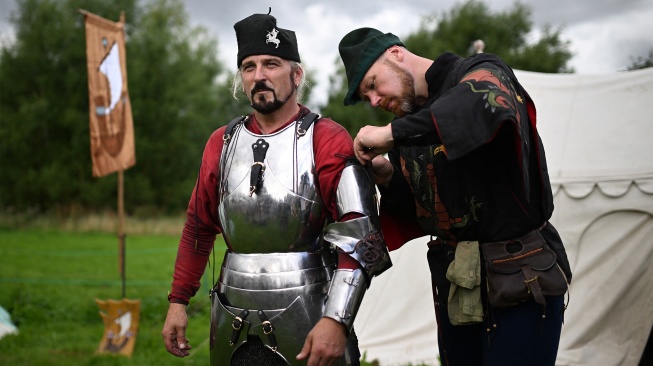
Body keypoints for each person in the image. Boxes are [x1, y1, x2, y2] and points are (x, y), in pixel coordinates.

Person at [161, 15, 391, 366]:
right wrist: (178, 302)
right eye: (249, 66)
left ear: (296, 75)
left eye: (271, 64)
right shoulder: (220, 144)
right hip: (231, 309)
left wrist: (336, 320)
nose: (259, 75)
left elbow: (361, 236)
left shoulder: (326, 138)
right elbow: (198, 226)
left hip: (311, 305)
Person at [337, 28, 573, 366]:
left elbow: (482, 102)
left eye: (373, 84)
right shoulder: (409, 123)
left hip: (520, 279)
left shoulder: (480, 70)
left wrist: (391, 134)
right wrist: (387, 176)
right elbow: (425, 208)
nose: (374, 101)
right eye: (366, 97)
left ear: (396, 54)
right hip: (457, 285)